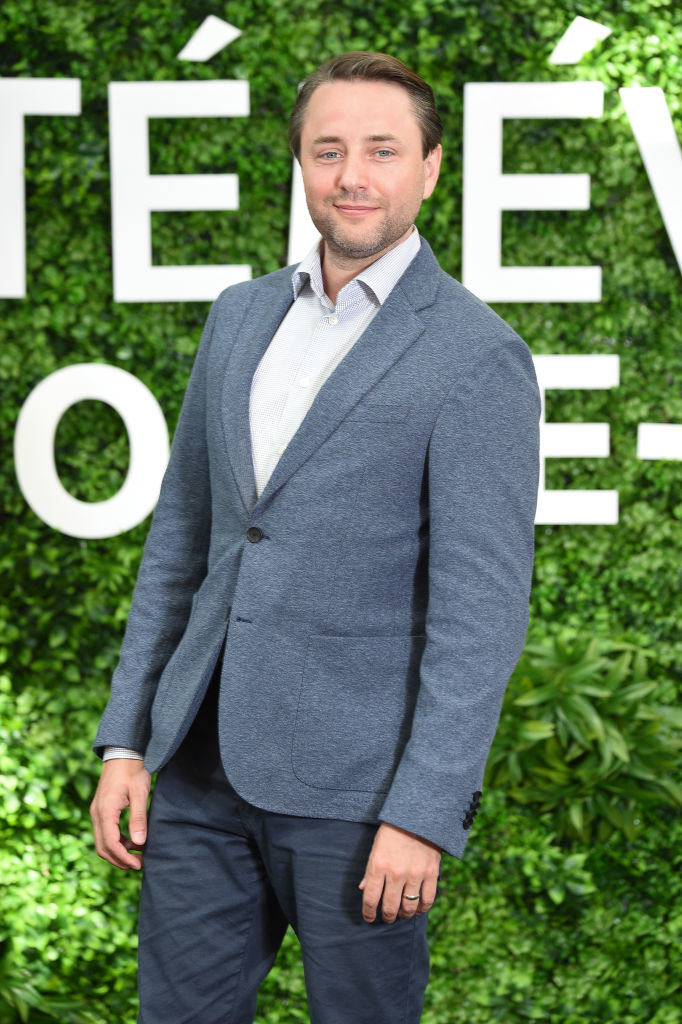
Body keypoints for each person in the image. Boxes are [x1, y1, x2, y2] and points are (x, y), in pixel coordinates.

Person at [90, 51, 540, 1024]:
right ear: (299, 162)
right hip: (198, 768)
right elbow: (182, 543)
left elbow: (482, 613)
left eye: (382, 149)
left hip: (359, 794)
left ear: (429, 167)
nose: (352, 175)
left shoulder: (477, 357)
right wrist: (126, 738)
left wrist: (421, 813)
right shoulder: (239, 316)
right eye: (328, 149)